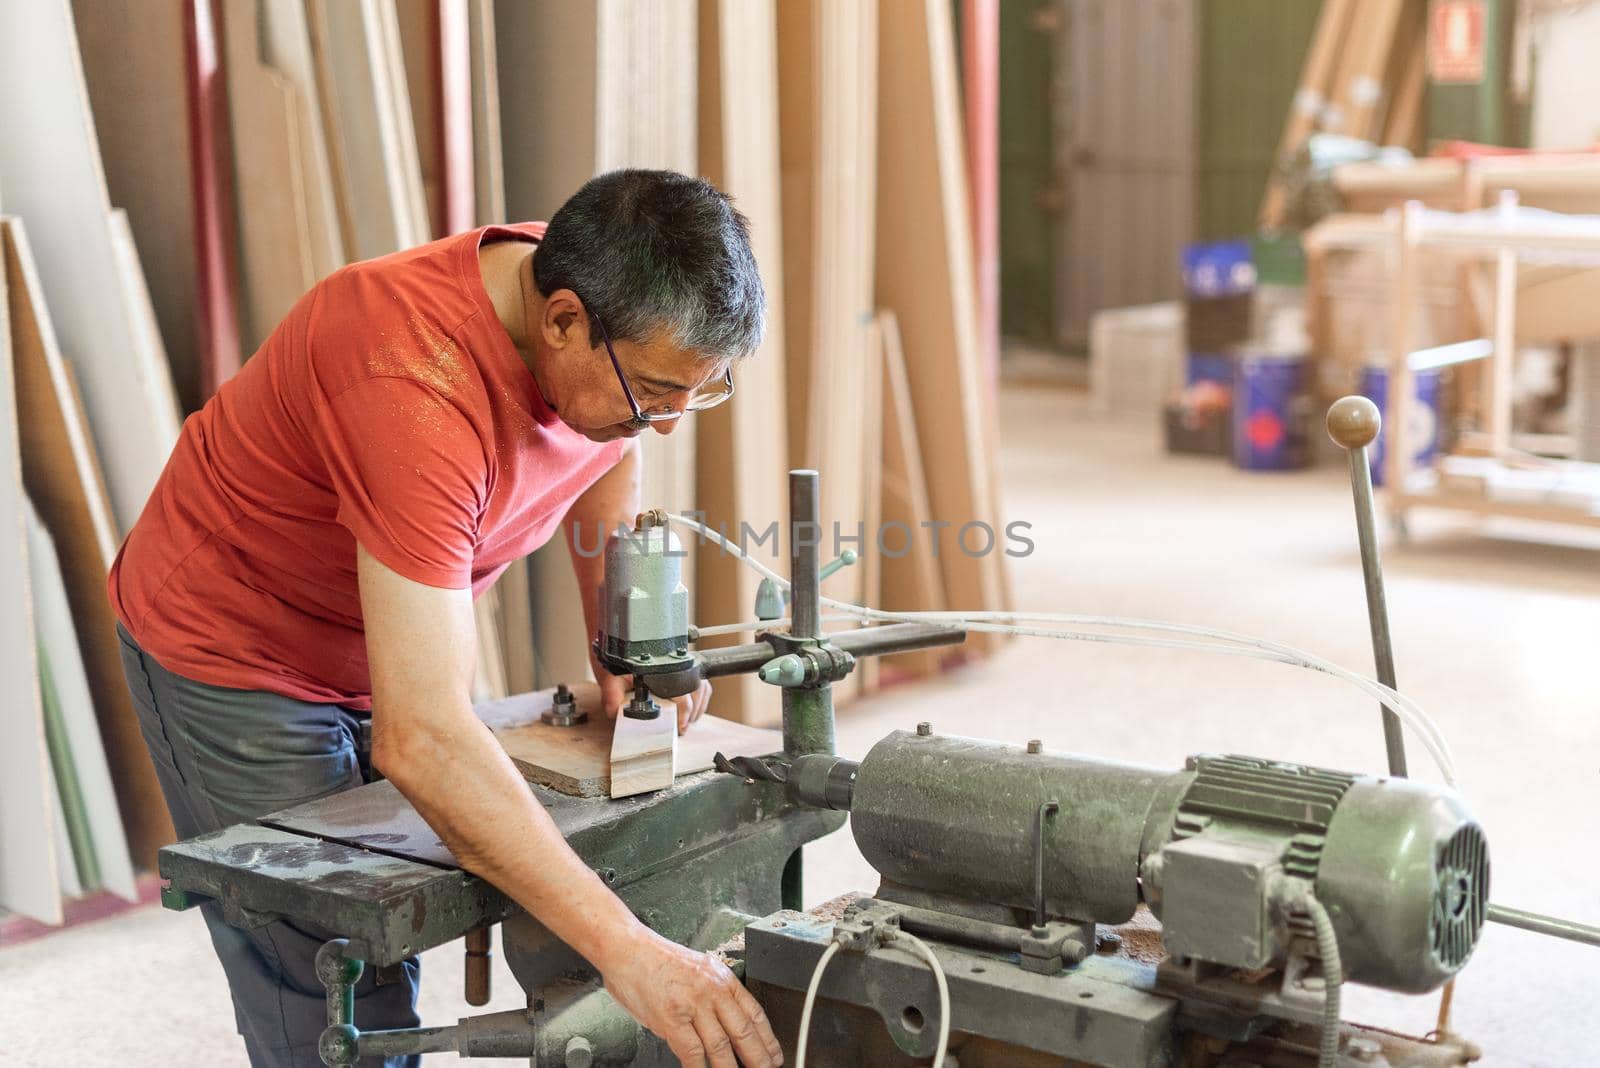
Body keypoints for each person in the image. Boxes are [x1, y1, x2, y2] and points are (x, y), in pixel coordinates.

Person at [109, 169, 783, 1068]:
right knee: (336, 979)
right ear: (563, 321)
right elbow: (422, 735)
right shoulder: (408, 383)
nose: (665, 425)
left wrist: (618, 636)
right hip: (239, 643)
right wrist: (632, 957)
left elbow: (603, 454)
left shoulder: (612, 283)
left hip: (376, 624)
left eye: (697, 393)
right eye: (655, 391)